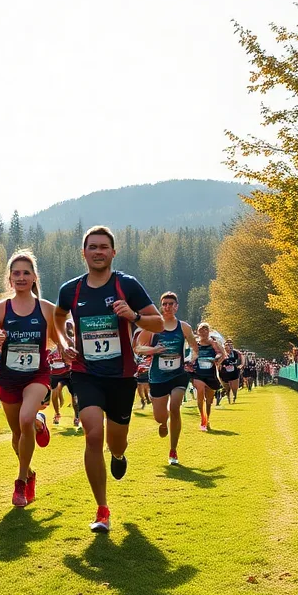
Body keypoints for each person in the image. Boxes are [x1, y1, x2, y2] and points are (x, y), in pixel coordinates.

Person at [55, 226, 161, 533]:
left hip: (121, 377)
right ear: (83, 252)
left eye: (104, 247)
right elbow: (58, 320)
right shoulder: (70, 290)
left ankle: (118, 454)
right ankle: (102, 509)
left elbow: (157, 320)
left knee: (116, 440)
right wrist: (63, 344)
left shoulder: (126, 285)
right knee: (91, 435)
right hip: (86, 374)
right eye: (92, 247)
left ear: (113, 252)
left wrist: (133, 315)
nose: (98, 252)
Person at [0, 251, 63, 507]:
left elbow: (61, 339)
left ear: (35, 277)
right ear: (10, 278)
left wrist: (66, 350)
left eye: (26, 272)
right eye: (16, 273)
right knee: (18, 434)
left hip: (37, 375)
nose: (21, 277)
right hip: (9, 377)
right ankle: (30, 472)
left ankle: (20, 483)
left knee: (24, 420)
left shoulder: (47, 308)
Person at [135, 292, 199, 465]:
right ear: (161, 307)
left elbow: (194, 347)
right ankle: (163, 423)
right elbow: (137, 348)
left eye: (171, 303)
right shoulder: (154, 327)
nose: (168, 306)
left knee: (176, 407)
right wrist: (153, 350)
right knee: (159, 417)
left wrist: (190, 359)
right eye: (165, 304)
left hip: (178, 374)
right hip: (157, 376)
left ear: (177, 306)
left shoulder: (184, 327)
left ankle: (173, 450)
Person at [191, 323, 226, 431]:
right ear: (198, 331)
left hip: (210, 373)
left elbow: (221, 353)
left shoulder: (213, 343)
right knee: (200, 392)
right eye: (201, 329)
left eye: (206, 329)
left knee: (209, 400)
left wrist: (216, 358)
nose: (203, 332)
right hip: (198, 373)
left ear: (209, 331)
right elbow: (190, 355)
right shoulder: (195, 344)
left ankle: (207, 419)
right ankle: (203, 419)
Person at [220, 340, 242, 404]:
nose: (228, 346)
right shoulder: (221, 353)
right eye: (226, 345)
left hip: (233, 371)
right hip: (224, 372)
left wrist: (239, 365)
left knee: (234, 387)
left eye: (230, 345)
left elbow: (240, 359)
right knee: (227, 387)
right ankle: (228, 398)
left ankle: (234, 396)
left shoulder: (235, 353)